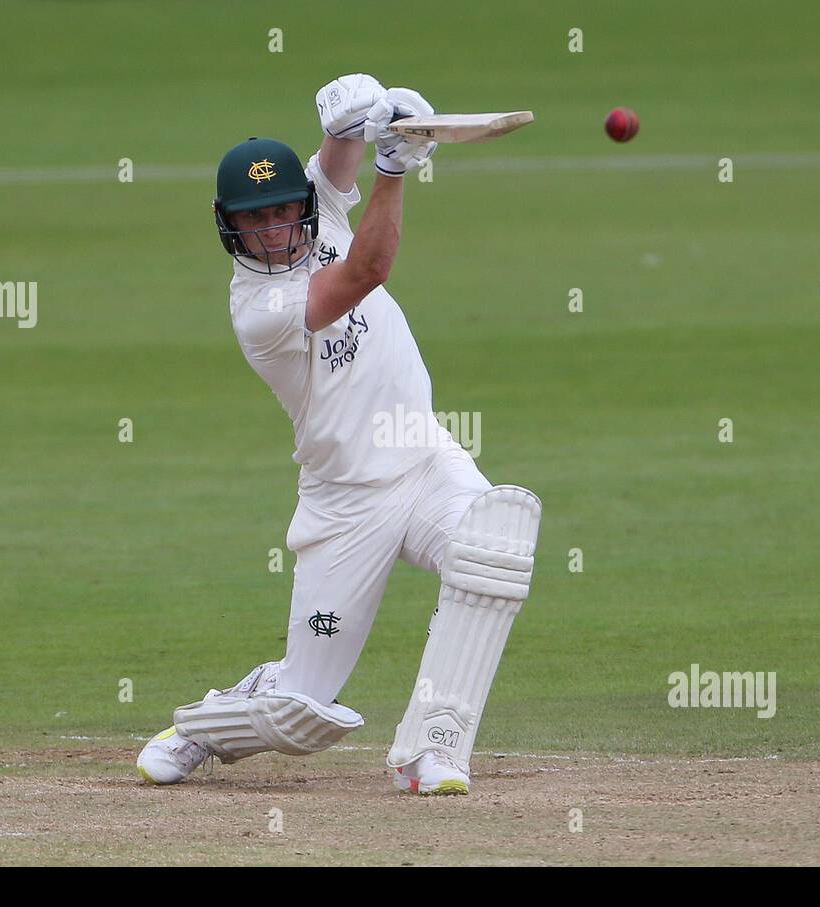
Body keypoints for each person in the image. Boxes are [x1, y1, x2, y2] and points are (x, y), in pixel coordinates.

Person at [137, 74, 541, 795]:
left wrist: (363, 112)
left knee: (494, 548)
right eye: (255, 220)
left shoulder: (317, 204)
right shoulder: (260, 307)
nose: (275, 231)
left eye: (286, 212)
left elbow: (335, 157)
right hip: (347, 502)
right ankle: (206, 722)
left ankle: (433, 747)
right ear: (229, 224)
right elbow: (369, 268)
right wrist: (394, 164)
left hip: (424, 462)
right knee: (301, 715)